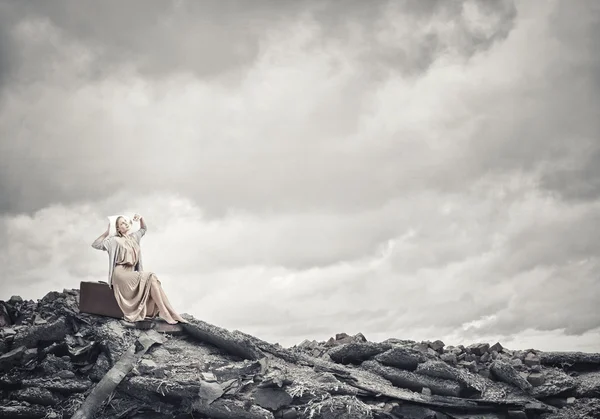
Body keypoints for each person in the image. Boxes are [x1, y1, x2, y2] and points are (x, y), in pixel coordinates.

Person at [92, 214, 187, 324]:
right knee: (150, 276)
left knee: (153, 280)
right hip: (120, 275)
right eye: (122, 223)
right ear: (117, 228)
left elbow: (143, 229)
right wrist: (107, 232)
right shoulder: (114, 240)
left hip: (131, 273)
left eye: (126, 221)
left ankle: (171, 313)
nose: (126, 223)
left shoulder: (134, 237)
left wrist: (141, 218)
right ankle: (165, 313)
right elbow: (96, 244)